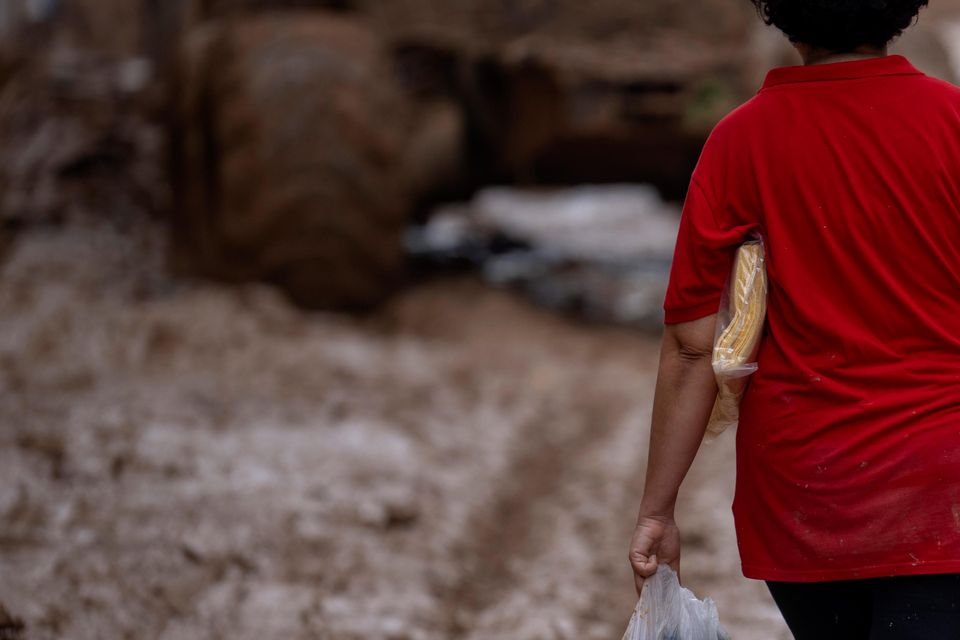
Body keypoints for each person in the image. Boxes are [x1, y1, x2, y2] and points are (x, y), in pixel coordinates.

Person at [627, 0, 960, 638]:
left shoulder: (739, 140)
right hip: (942, 488)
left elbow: (694, 348)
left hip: (810, 497)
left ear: (780, 14)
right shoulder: (952, 120)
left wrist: (657, 510)